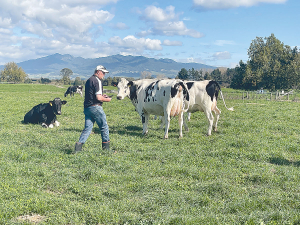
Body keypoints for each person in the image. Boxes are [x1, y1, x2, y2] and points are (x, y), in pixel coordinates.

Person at [74, 65, 112, 153]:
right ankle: (106, 149)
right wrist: (107, 99)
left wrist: (102, 96)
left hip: (87, 108)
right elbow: (98, 98)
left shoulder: (89, 80)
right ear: (98, 71)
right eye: (103, 73)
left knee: (87, 129)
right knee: (104, 127)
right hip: (95, 107)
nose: (104, 75)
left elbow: (92, 95)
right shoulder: (97, 81)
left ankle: (78, 148)